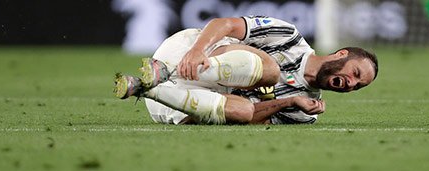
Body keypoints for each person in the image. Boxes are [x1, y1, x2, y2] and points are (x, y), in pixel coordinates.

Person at [114, 16, 378, 125]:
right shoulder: (288, 36)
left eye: (358, 86)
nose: (351, 84)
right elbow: (225, 24)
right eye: (355, 73)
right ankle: (166, 71)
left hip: (175, 108)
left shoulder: (305, 111)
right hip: (183, 55)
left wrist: (289, 102)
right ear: (341, 54)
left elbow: (248, 118)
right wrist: (196, 51)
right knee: (271, 71)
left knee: (243, 110)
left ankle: (145, 88)